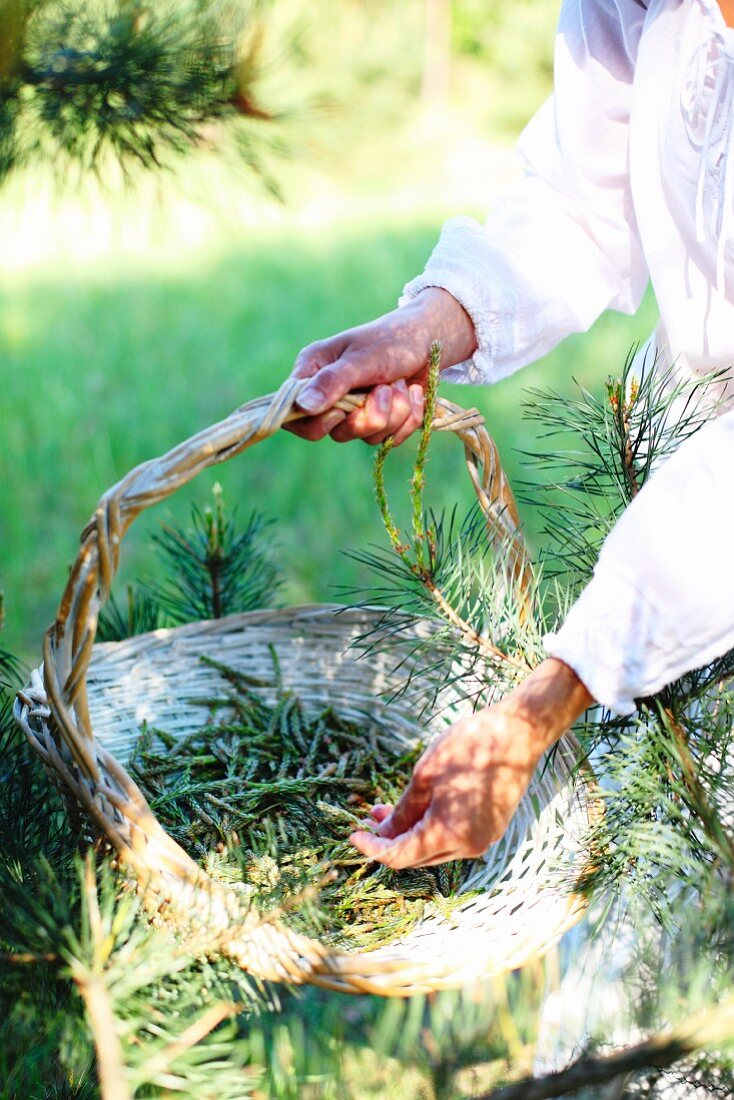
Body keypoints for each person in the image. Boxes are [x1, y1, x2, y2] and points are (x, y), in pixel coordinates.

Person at [286, 0, 734, 872]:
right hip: (679, 539)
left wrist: (538, 708)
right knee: (644, 903)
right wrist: (428, 325)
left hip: (697, 548)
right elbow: (582, 201)